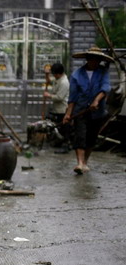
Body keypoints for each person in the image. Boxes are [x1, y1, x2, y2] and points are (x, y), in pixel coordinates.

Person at [63, 46, 112, 174]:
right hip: (80, 110)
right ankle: (79, 163)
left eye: (97, 59)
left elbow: (105, 87)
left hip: (97, 112)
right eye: (92, 58)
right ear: (87, 59)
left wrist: (96, 100)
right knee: (80, 136)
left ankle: (85, 162)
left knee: (91, 137)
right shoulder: (76, 75)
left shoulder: (103, 72)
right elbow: (72, 96)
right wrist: (68, 114)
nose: (94, 61)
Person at [43, 62, 71, 152]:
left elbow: (59, 97)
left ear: (58, 73)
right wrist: (47, 75)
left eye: (54, 74)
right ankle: (60, 143)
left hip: (63, 109)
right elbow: (50, 81)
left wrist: (48, 95)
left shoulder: (64, 82)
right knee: (59, 127)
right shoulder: (58, 79)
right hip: (57, 109)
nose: (53, 76)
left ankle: (66, 146)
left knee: (64, 128)